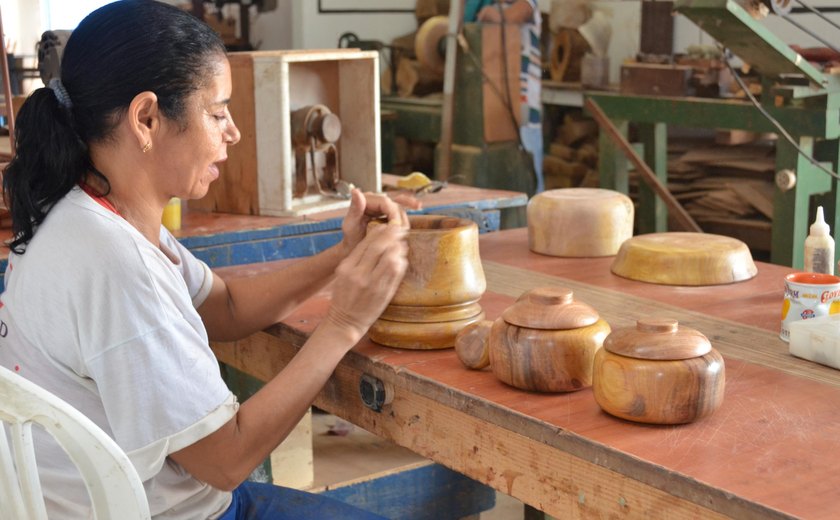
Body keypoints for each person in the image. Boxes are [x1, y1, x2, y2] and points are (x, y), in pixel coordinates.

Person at [0, 1, 414, 518]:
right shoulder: (114, 262)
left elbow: (226, 305)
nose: (233, 132)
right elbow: (227, 459)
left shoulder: (92, 209)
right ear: (147, 118)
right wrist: (345, 321)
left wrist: (342, 255)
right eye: (217, 112)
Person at [465, 0, 544, 193]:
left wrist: (493, 14)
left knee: (528, 177)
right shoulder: (484, 5)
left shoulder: (527, 4)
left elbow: (510, 16)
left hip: (524, 107)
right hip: (493, 105)